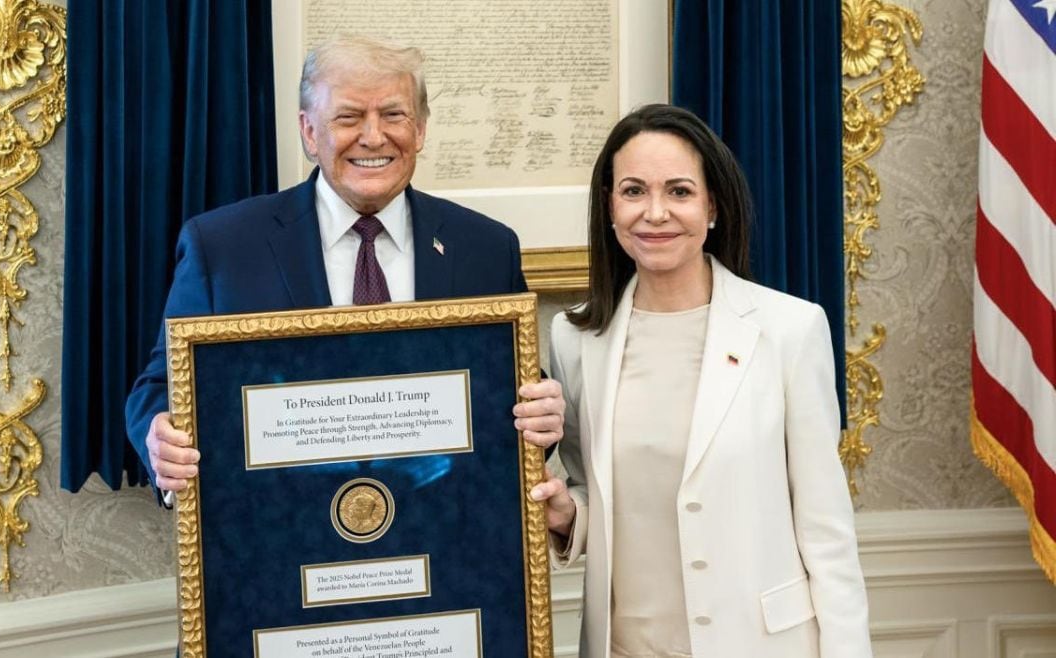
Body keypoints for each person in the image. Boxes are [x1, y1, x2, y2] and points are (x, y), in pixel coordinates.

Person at [125, 35, 565, 497]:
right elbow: (160, 386)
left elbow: (510, 390)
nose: (374, 137)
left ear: (420, 129)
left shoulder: (486, 248)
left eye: (393, 115)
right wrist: (160, 438)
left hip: (443, 531)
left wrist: (542, 413)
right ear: (310, 132)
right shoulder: (223, 247)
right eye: (349, 117)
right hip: (280, 533)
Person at [530, 104, 871, 658]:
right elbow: (598, 490)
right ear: (609, 207)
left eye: (680, 192)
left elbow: (826, 530)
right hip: (624, 645)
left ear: (713, 206)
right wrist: (569, 517)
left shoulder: (790, 329)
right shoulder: (574, 339)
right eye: (634, 191)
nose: (655, 213)